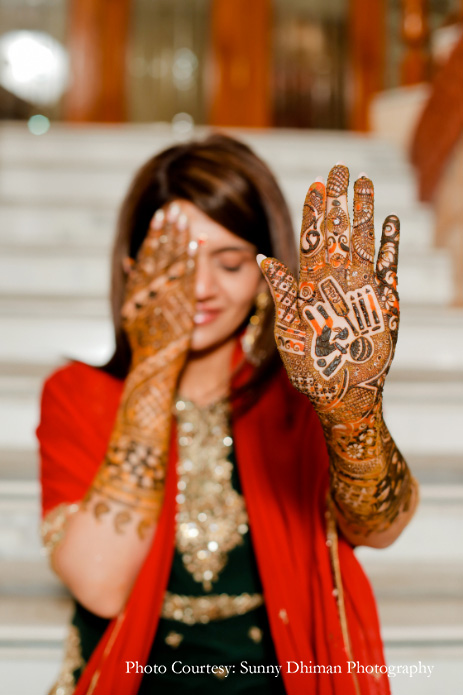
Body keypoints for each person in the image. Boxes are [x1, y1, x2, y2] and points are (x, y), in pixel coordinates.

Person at [37, 133, 419, 695]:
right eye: (178, 264)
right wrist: (154, 364)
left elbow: (383, 528)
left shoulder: (298, 396)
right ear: (133, 269)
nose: (203, 288)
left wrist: (352, 413)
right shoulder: (79, 394)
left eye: (231, 262)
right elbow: (99, 585)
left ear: (268, 277)